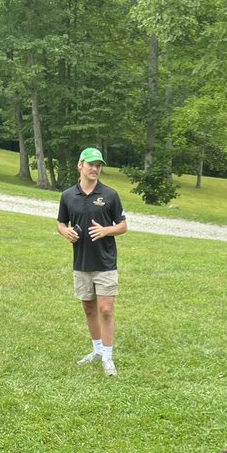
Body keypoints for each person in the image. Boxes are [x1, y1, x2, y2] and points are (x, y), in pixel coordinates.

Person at [57, 147, 127, 378]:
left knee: (105, 310)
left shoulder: (110, 195)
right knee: (88, 309)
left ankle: (108, 356)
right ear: (80, 166)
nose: (95, 168)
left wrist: (106, 230)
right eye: (91, 164)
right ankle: (97, 350)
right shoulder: (68, 196)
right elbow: (60, 223)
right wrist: (64, 232)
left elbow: (123, 226)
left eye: (98, 165)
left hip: (105, 262)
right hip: (81, 262)